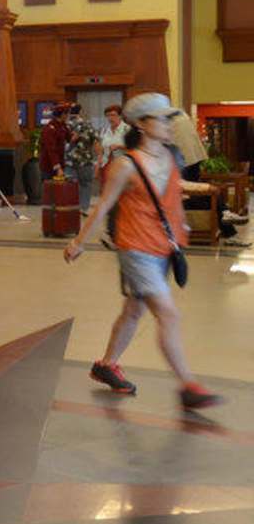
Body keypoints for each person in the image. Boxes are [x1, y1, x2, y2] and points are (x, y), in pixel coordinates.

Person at [65, 93, 223, 410]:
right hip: (136, 248)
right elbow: (104, 205)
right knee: (167, 313)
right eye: (162, 119)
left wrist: (194, 201)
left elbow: (171, 189)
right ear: (141, 124)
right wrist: (79, 241)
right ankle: (187, 386)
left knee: (134, 310)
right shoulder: (125, 165)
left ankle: (106, 365)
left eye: (169, 118)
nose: (168, 124)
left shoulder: (170, 156)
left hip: (164, 246)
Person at [39, 104, 70, 180]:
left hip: (60, 163)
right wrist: (58, 168)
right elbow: (51, 150)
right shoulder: (49, 129)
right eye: (66, 113)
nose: (68, 116)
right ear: (62, 114)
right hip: (49, 166)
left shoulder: (63, 126)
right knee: (49, 186)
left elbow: (69, 137)